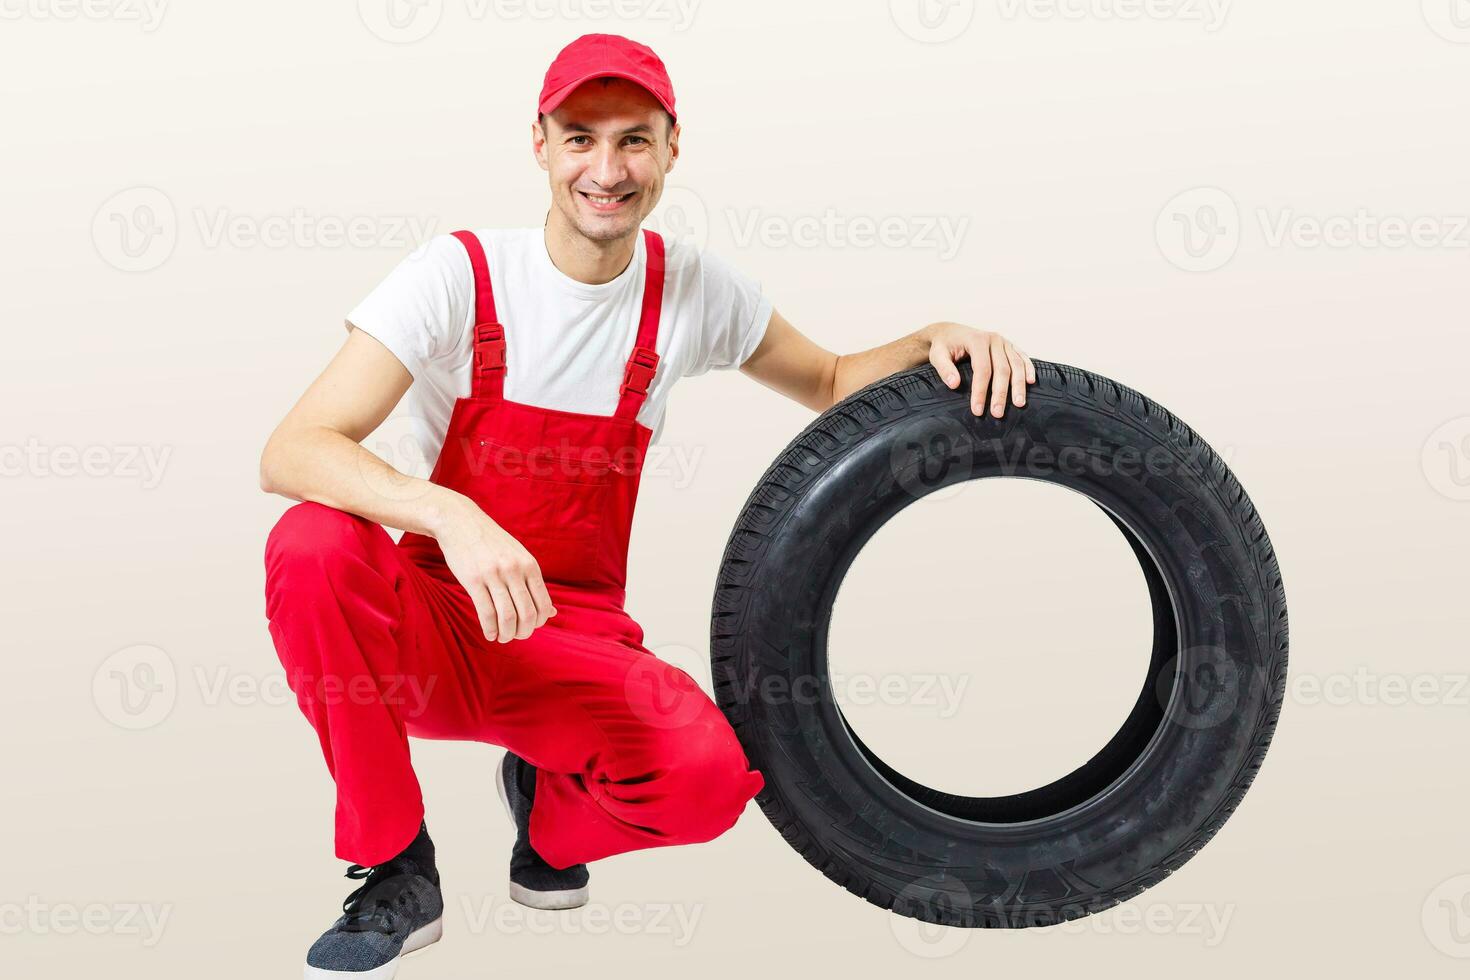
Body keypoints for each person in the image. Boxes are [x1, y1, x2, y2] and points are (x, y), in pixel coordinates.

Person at [259, 32, 1035, 980]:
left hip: (570, 639)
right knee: (312, 540)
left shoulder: (691, 291)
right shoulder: (458, 276)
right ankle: (394, 865)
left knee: (709, 784)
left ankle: (548, 814)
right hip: (435, 634)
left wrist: (935, 334)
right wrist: (452, 519)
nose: (607, 168)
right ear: (539, 144)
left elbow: (832, 378)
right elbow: (293, 449)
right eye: (581, 137)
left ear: (673, 149)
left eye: (635, 139)